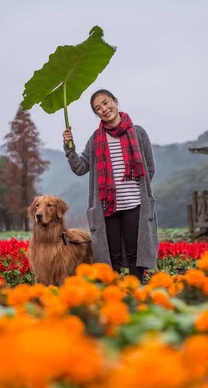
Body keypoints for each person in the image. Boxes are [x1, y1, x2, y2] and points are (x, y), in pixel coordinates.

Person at [63, 89, 158, 282]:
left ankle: (135, 294)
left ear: (116, 101)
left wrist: (137, 192)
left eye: (106, 103)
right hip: (108, 207)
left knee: (135, 254)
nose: (104, 109)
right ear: (96, 114)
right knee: (111, 256)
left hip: (135, 205)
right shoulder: (96, 139)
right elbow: (80, 168)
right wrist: (70, 147)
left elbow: (149, 168)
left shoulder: (138, 133)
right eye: (98, 108)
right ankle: (112, 296)